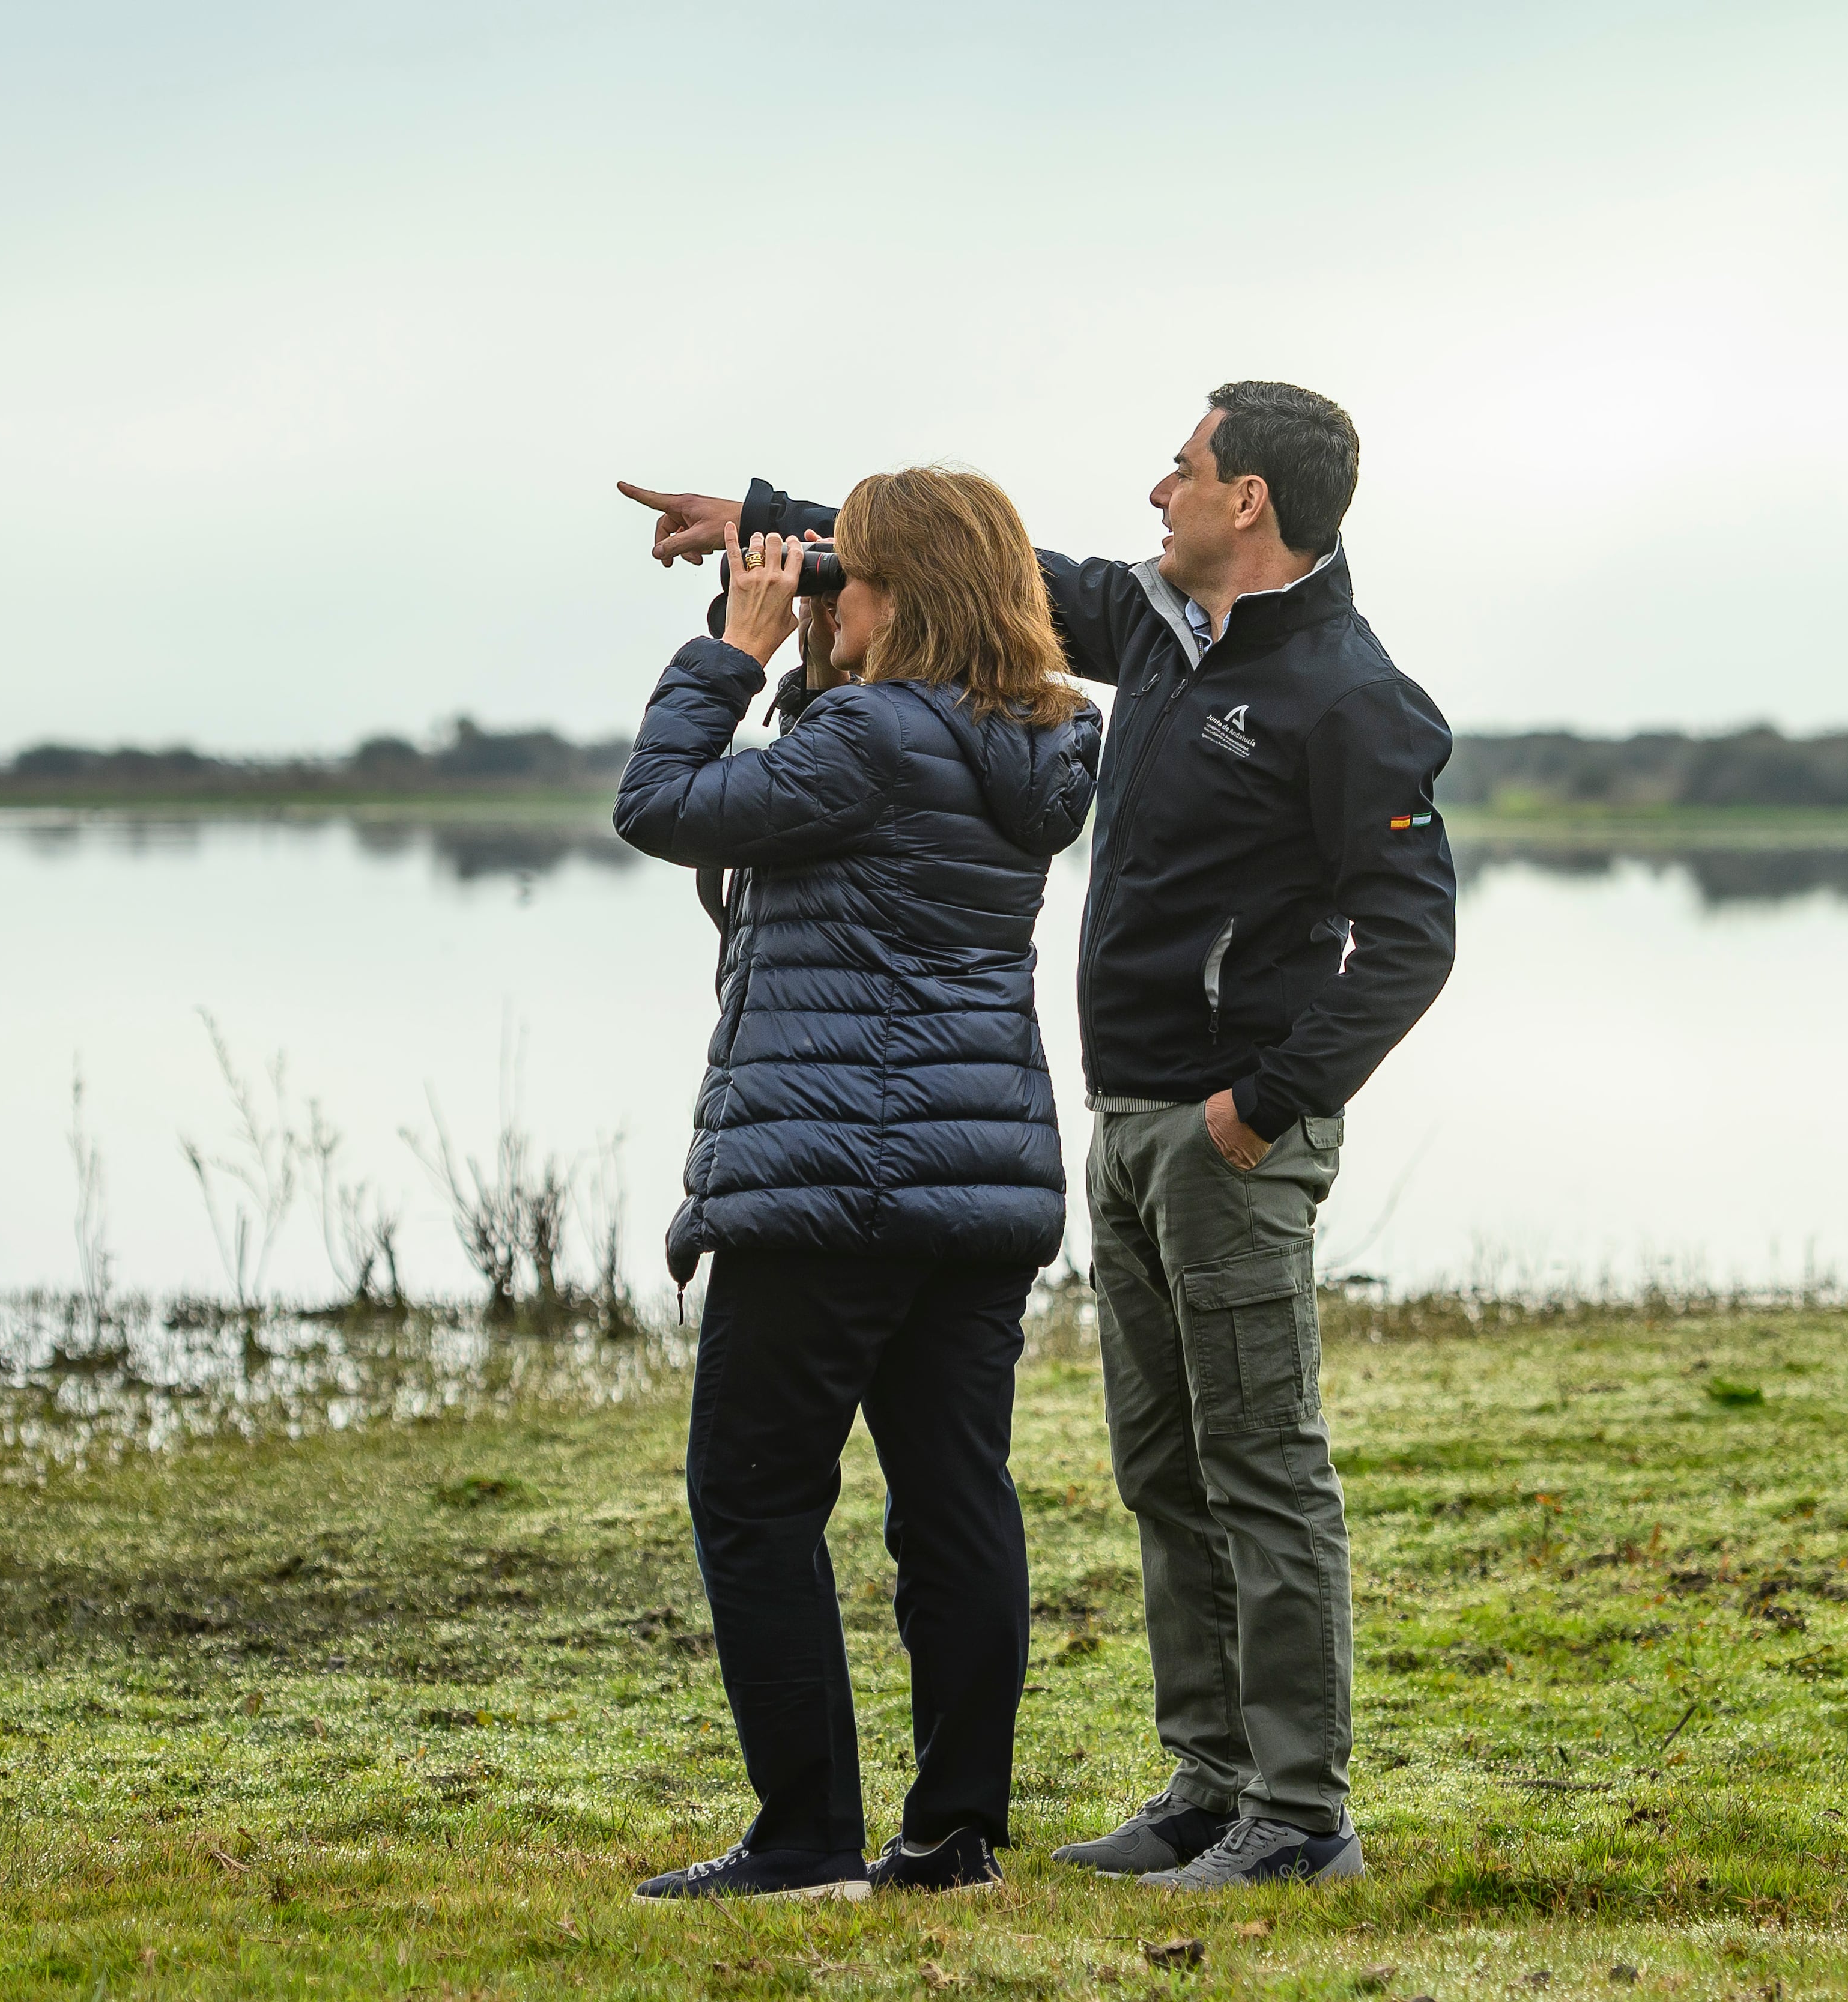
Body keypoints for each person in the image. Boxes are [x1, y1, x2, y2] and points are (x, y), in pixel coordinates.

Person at [618, 381, 1458, 1889]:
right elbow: (978, 577)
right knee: (1157, 1466)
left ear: (1250, 497)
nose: (1156, 489)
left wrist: (1264, 1102)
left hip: (1222, 1129)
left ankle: (1298, 1812)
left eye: (1184, 465)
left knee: (1259, 1462)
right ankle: (1206, 1783)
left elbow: (1405, 940)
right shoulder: (1143, 641)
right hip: (1099, 1121)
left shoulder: (1349, 690)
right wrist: (773, 528)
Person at [611, 467, 1103, 1904]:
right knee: (953, 1504)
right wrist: (816, 632)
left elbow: (660, 802)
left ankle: (805, 1837)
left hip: (829, 1175)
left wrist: (731, 650)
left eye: (850, 574)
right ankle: (951, 1837)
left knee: (753, 1496)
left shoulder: (873, 735)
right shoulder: (1035, 734)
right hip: (977, 1181)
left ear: (904, 594)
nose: (831, 589)